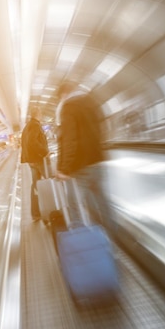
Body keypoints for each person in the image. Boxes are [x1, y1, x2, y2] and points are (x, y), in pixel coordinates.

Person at [55, 81, 111, 226]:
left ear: (63, 95)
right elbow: (103, 128)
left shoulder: (68, 107)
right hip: (98, 161)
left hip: (81, 166)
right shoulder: (91, 102)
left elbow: (69, 139)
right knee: (101, 199)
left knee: (74, 202)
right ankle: (111, 233)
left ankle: (81, 239)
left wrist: (64, 169)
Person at [20, 106, 50, 221]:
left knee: (36, 185)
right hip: (39, 160)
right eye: (41, 114)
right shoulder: (35, 125)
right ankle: (53, 210)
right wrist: (45, 152)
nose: (41, 116)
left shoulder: (27, 127)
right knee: (50, 182)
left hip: (32, 161)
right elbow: (32, 142)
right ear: (38, 114)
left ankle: (35, 213)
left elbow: (25, 143)